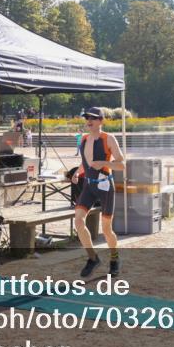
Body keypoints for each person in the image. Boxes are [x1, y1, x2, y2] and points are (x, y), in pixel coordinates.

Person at [74, 107, 126, 277]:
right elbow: (86, 162)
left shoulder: (109, 139)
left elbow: (121, 164)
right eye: (87, 118)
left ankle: (114, 258)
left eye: (93, 118)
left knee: (106, 229)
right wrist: (76, 172)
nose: (89, 121)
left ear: (101, 121)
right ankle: (93, 258)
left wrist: (105, 163)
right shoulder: (83, 139)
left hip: (105, 186)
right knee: (79, 222)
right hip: (89, 185)